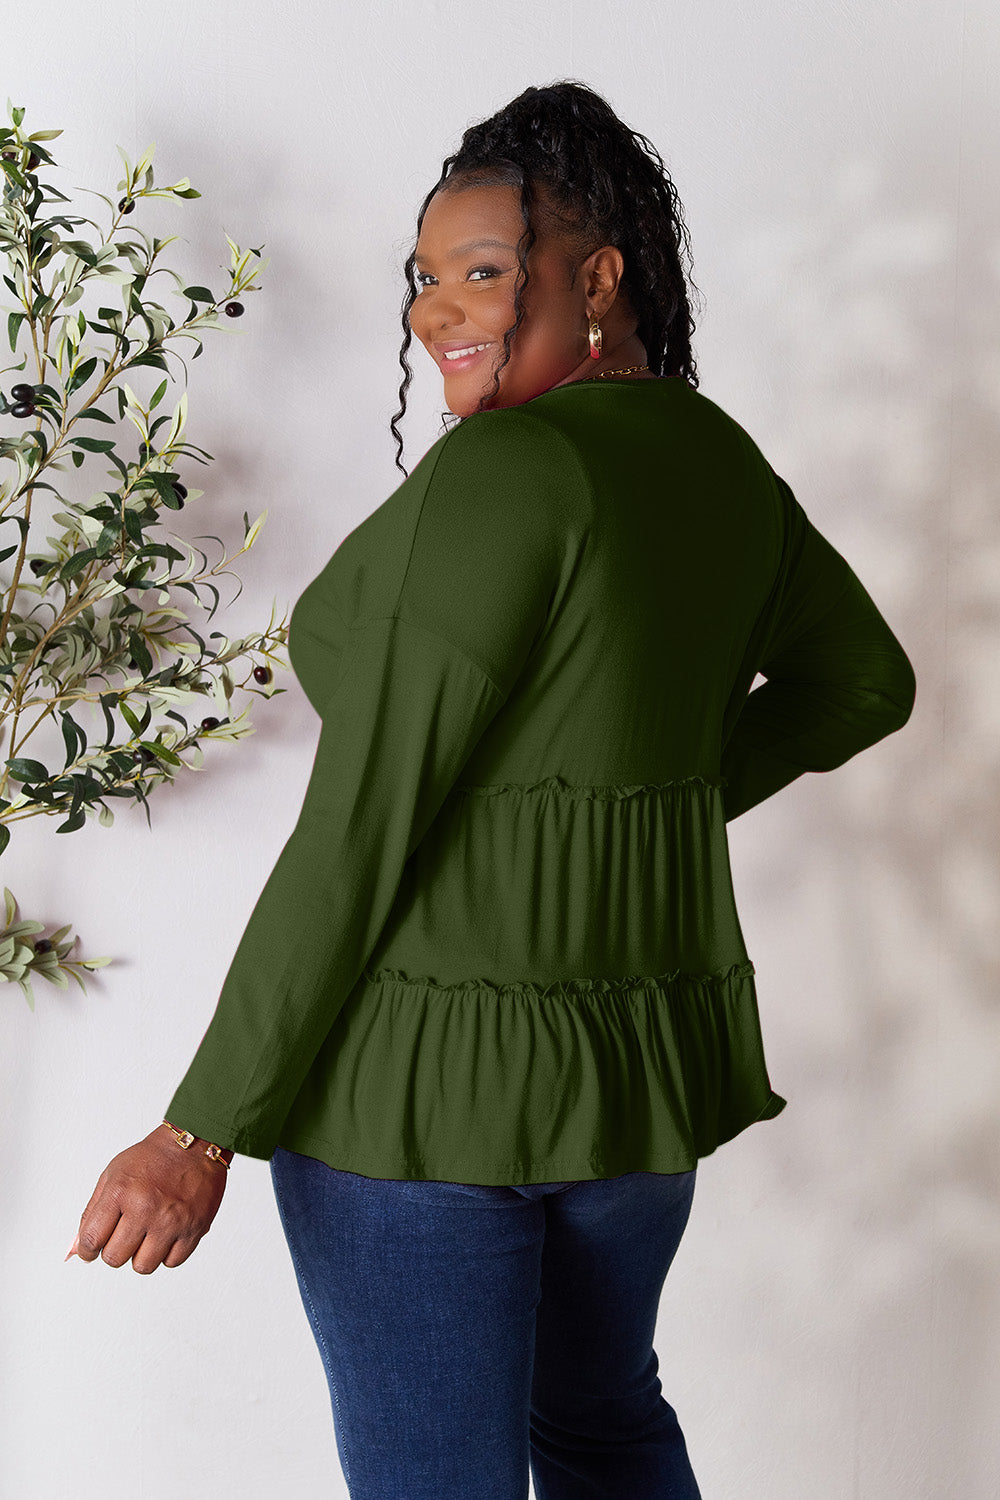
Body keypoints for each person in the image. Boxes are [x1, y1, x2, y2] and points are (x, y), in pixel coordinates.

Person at [67, 80, 917, 1500]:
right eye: (425, 279)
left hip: (418, 1103)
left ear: (598, 278)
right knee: (606, 1430)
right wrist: (645, 806)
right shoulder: (712, 458)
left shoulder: (514, 471)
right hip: (631, 1095)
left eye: (482, 271)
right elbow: (864, 685)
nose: (439, 312)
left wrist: (197, 1129)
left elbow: (358, 831)